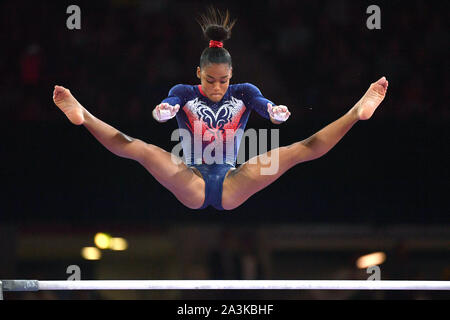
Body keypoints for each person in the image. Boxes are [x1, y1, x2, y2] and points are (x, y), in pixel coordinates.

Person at [52, 8, 388, 211]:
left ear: (232, 75)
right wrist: (163, 112)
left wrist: (275, 113)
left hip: (232, 181)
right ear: (198, 73)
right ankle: (83, 115)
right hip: (193, 179)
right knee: (141, 149)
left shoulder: (244, 92)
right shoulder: (182, 92)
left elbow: (265, 106)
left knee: (297, 150)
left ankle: (356, 111)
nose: (217, 88)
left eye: (223, 81)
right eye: (210, 80)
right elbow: (165, 107)